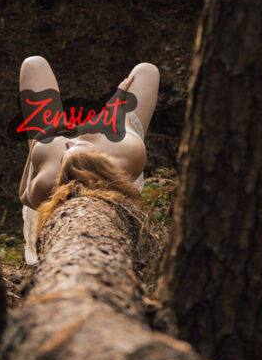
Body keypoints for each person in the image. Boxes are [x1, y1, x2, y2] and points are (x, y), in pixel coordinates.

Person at [18, 56, 159, 263]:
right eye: (74, 145)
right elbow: (120, 113)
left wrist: (40, 140)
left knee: (33, 64)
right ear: (100, 160)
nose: (69, 143)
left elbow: (23, 195)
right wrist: (117, 100)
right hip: (116, 162)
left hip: (49, 150)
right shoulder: (127, 152)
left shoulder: (47, 179)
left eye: (68, 149)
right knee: (147, 71)